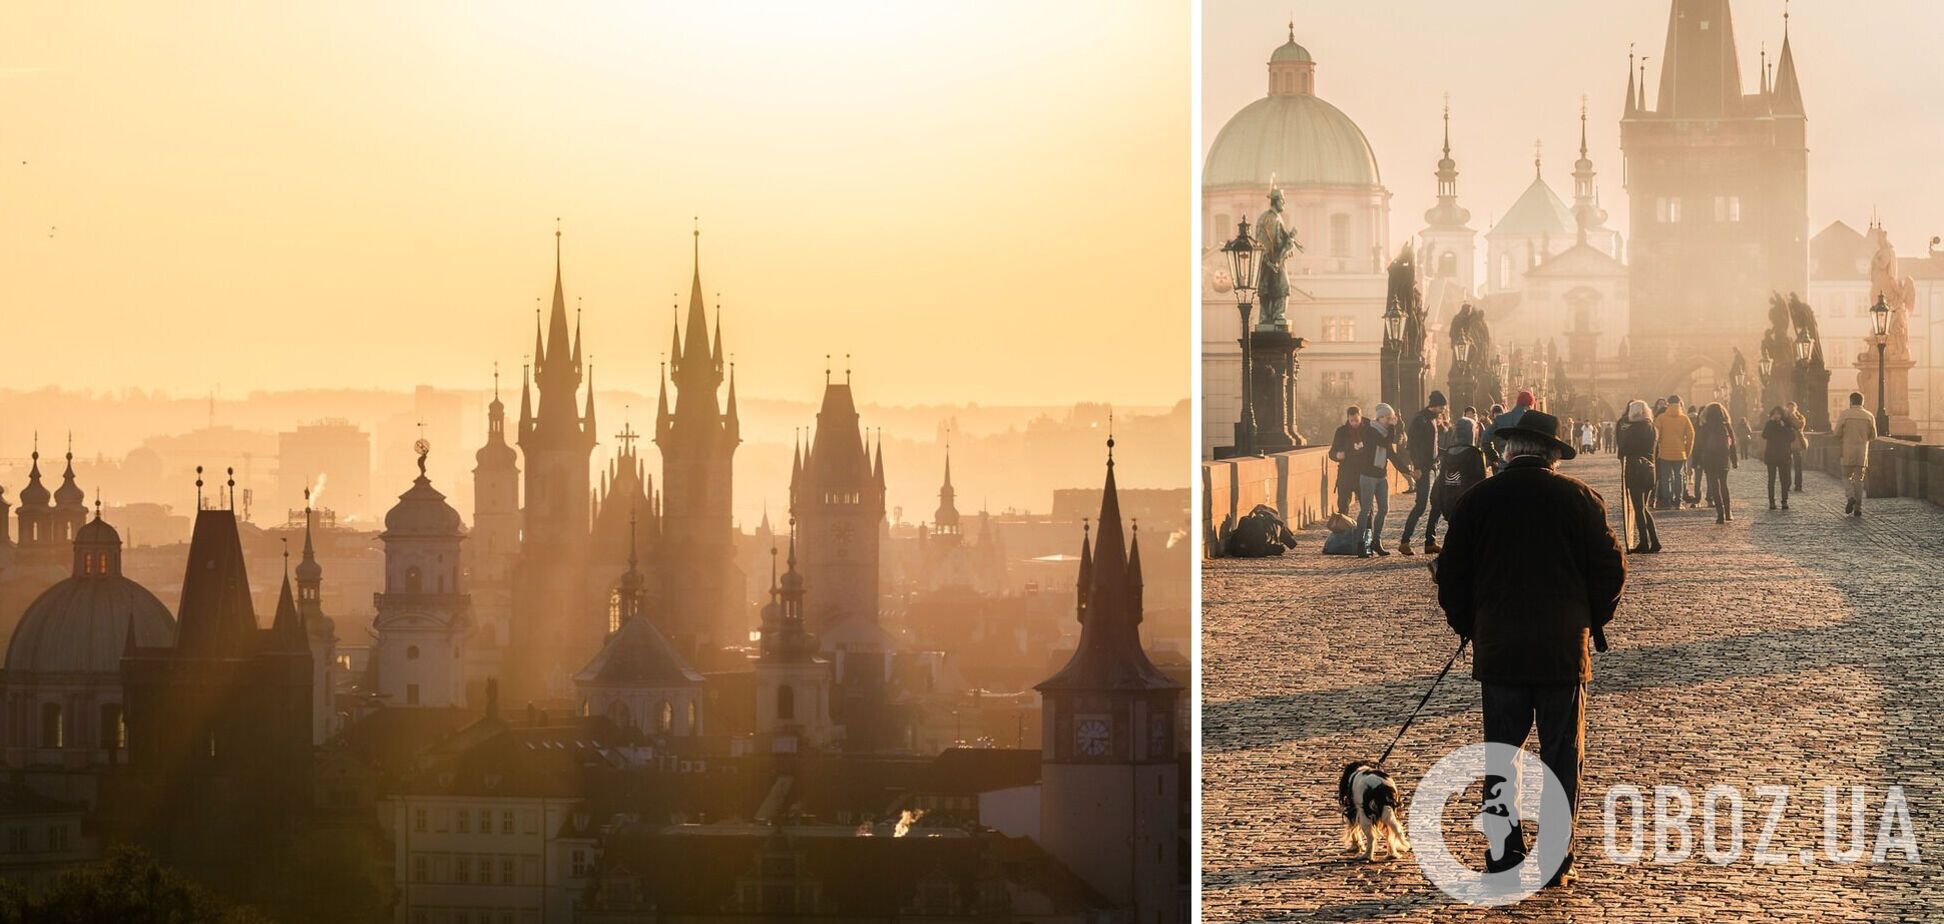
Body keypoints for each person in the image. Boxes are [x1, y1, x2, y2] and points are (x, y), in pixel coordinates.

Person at [1436, 410, 1626, 889]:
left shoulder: (1477, 499)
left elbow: (1452, 576)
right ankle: (1556, 856)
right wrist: (1589, 621)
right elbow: (1612, 572)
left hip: (1500, 648)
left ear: (1507, 451)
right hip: (1563, 649)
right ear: (1553, 457)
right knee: (1562, 753)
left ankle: (1503, 852)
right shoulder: (1581, 499)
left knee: (1502, 754)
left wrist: (1471, 626)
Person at [1344, 403, 1413, 557]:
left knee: (1384, 509)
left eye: (1391, 418)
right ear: (1380, 417)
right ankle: (1360, 544)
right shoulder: (1370, 431)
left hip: (1381, 476)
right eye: (1388, 418)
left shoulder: (1384, 432)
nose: (1390, 421)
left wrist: (1407, 471)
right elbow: (1386, 443)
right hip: (1367, 476)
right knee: (1366, 510)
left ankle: (1376, 541)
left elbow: (1392, 455)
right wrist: (1393, 427)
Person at [1400, 391, 1450, 555]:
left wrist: (1446, 453)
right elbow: (1412, 446)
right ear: (1435, 405)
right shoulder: (1420, 419)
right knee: (1421, 505)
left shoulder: (1432, 419)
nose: (1443, 410)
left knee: (1437, 503)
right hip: (1423, 468)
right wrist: (1417, 467)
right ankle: (1405, 541)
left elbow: (1432, 447)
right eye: (1442, 406)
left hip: (1433, 466)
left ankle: (1430, 541)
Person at [1615, 400, 1659, 553]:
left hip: (1635, 469)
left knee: (1638, 508)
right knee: (1644, 507)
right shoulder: (1653, 428)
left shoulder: (1633, 429)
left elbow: (1623, 450)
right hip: (1650, 469)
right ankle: (1654, 541)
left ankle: (1644, 543)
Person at [1434, 416, 1489, 526]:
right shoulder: (1475, 454)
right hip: (1468, 504)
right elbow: (1481, 482)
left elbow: (1442, 480)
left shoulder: (1448, 452)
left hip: (1449, 503)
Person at [1835, 392, 1879, 518]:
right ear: (1862, 402)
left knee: (1846, 476)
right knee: (1859, 480)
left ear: (1851, 401)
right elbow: (1874, 436)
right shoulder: (1869, 415)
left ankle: (1850, 496)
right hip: (1862, 451)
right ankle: (1858, 508)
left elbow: (1836, 433)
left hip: (1847, 450)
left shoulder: (1845, 414)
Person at [1693, 402, 1738, 523]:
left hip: (1709, 459)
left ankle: (1720, 515)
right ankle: (1728, 513)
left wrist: (1695, 461)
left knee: (1714, 486)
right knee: (1724, 485)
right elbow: (1732, 444)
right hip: (1723, 459)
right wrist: (1734, 460)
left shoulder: (1705, 426)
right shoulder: (1726, 425)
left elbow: (1698, 445)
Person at [1652, 395, 1694, 509]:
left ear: (1668, 404)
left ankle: (1666, 501)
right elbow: (1691, 435)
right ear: (1679, 403)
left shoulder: (1661, 418)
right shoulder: (1684, 418)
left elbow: (1656, 434)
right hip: (1680, 453)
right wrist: (1687, 450)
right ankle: (1678, 502)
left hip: (1664, 452)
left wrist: (1660, 443)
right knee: (1679, 477)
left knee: (1665, 478)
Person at [1759, 406, 1797, 510]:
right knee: (1771, 480)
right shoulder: (1769, 424)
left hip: (1784, 456)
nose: (1776, 415)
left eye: (1778, 414)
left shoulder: (1786, 425)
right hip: (1771, 456)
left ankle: (1784, 501)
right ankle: (1771, 502)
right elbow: (1764, 435)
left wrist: (1783, 427)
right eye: (1774, 414)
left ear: (1782, 415)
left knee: (1784, 480)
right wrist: (1771, 423)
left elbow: (1792, 438)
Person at [1327, 406, 1363, 516]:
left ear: (1361, 417)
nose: (1354, 423)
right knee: (1343, 505)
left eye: (1356, 420)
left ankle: (1367, 530)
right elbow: (1332, 453)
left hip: (1363, 474)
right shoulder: (1341, 431)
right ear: (1348, 418)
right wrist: (1337, 455)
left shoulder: (1367, 431)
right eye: (1351, 420)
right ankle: (1344, 531)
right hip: (1345, 474)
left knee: (1366, 506)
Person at [1488, 391, 1535, 471]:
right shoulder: (1532, 420)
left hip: (1504, 466)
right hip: (1526, 469)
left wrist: (1494, 457)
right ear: (1530, 404)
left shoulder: (1500, 419)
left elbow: (1484, 440)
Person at [1785, 401, 1808, 493]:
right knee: (1787, 466)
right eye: (1789, 408)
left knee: (1798, 466)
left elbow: (1800, 426)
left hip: (1797, 445)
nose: (1791, 410)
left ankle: (1798, 485)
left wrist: (1793, 417)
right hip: (1786, 444)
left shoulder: (1800, 418)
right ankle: (1787, 484)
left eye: (1792, 408)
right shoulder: (1784, 418)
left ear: (1796, 408)